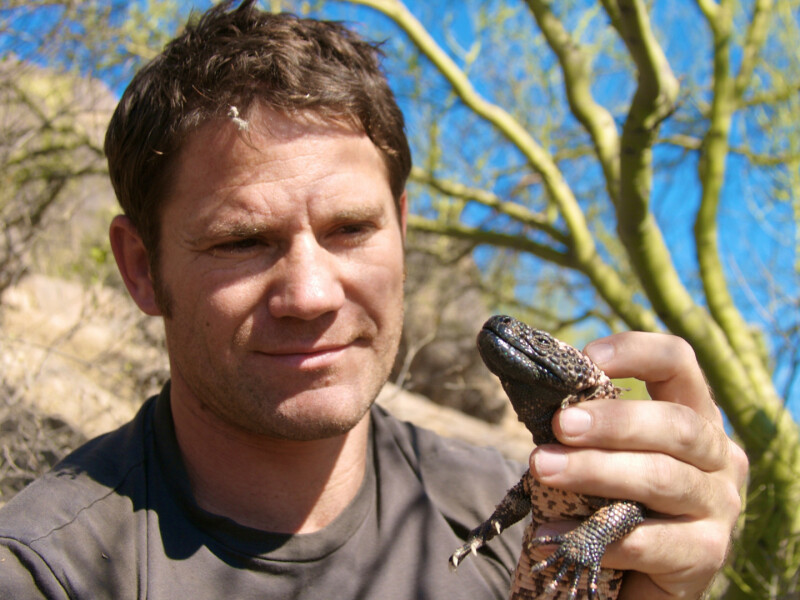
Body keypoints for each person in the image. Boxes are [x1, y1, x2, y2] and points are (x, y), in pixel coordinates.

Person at [0, 1, 747, 599]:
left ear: (403, 231)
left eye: (351, 229)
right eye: (241, 241)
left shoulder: (522, 511)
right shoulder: (46, 573)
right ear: (140, 268)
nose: (310, 294)